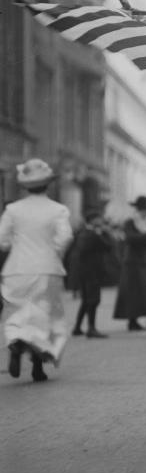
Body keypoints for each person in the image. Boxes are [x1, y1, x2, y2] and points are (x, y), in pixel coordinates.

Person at [1, 159, 72, 382]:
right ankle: (38, 366)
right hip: (47, 267)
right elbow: (65, 237)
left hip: (16, 268)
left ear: (24, 186)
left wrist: (12, 245)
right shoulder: (58, 209)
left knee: (17, 311)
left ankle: (16, 342)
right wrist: (55, 252)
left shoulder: (13, 209)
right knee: (45, 315)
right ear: (47, 185)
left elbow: (2, 240)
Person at [112, 196, 146, 332]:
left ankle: (135, 319)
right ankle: (132, 320)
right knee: (132, 292)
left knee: (140, 292)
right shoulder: (130, 222)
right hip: (132, 262)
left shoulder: (144, 223)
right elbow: (130, 238)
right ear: (141, 210)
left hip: (141, 260)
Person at [69, 211, 113, 338]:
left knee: (86, 301)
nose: (101, 221)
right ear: (93, 220)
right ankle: (91, 328)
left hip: (85, 271)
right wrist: (103, 233)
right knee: (93, 300)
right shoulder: (92, 234)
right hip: (91, 272)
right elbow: (108, 246)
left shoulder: (83, 233)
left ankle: (77, 328)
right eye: (99, 218)